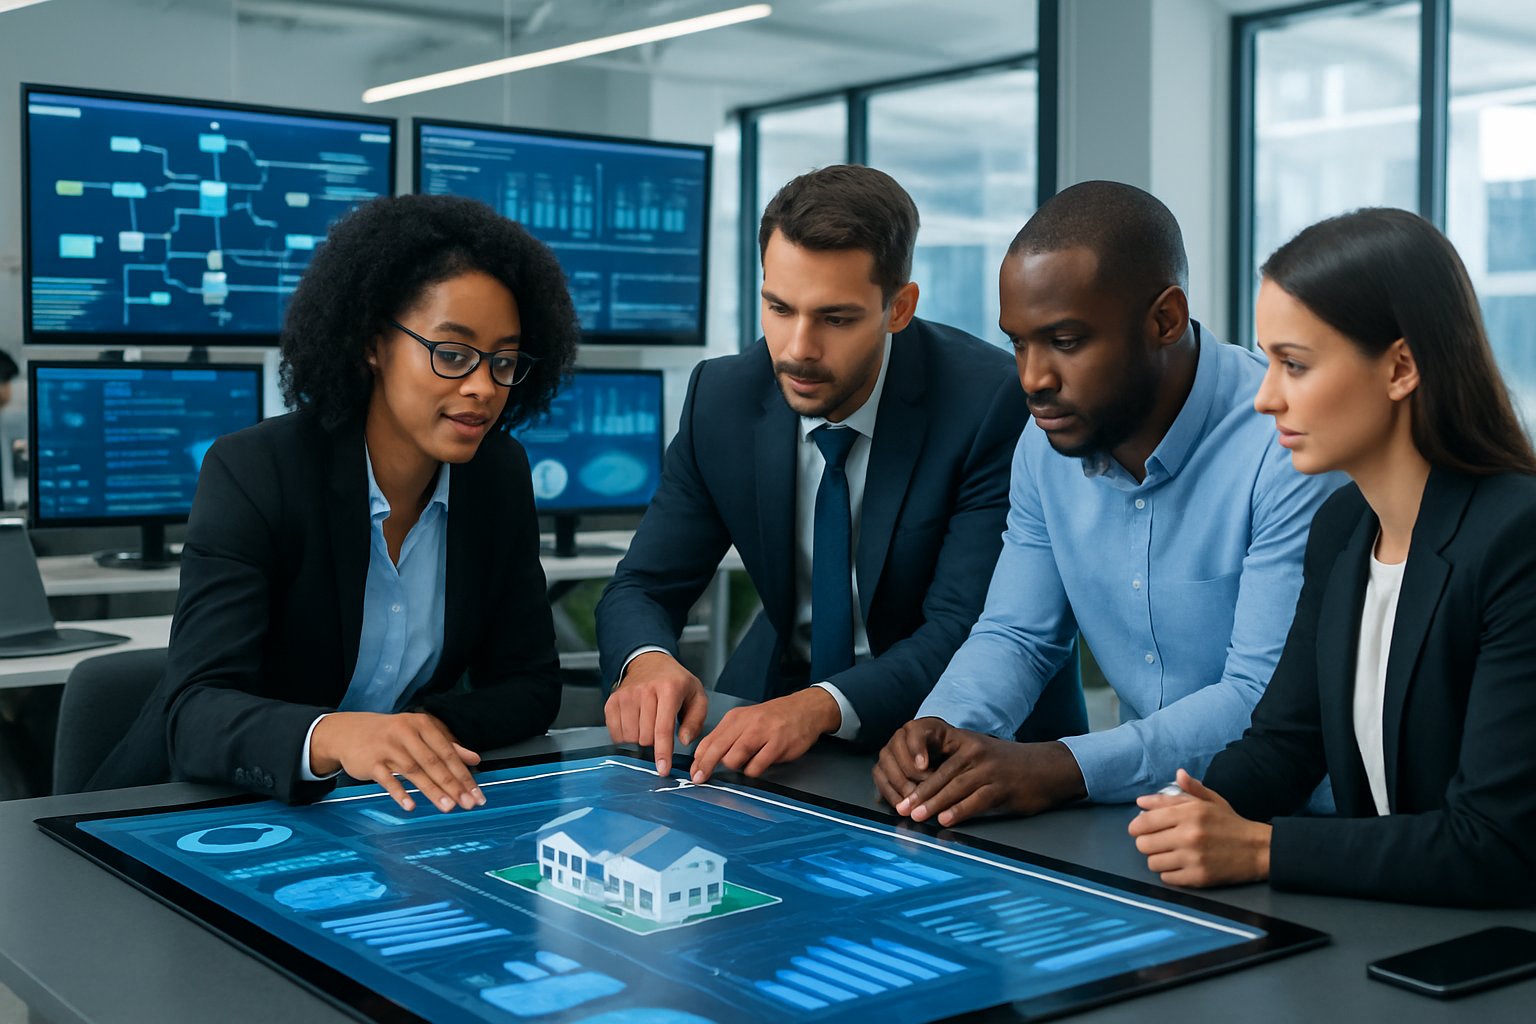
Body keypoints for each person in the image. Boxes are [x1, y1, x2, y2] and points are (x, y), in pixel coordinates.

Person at [874, 181, 1344, 826]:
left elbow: (1261, 699)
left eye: (1065, 342)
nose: (1033, 378)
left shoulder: (1287, 447)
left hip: (1298, 831)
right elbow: (1018, 634)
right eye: (1018, 343)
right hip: (1142, 819)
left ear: (1164, 320)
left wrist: (1061, 767)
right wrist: (938, 729)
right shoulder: (1043, 447)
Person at [596, 164, 1085, 781]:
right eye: (779, 307)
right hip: (778, 703)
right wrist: (647, 661)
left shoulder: (989, 401)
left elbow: (968, 630)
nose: (798, 347)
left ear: (898, 308)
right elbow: (642, 584)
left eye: (835, 319)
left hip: (962, 737)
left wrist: (820, 707)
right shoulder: (721, 397)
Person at [93, 194, 580, 809]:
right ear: (372, 344)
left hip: (372, 810)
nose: (483, 387)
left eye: (504, 362)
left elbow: (530, 684)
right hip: (193, 809)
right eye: (452, 355)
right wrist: (333, 736)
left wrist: (415, 734)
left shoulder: (497, 474)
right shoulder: (258, 471)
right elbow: (195, 711)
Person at [1128, 208, 1536, 907]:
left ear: (1401, 367)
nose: (1265, 397)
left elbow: (1495, 845)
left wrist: (1259, 848)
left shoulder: (1516, 539)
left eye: (1294, 364)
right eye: (1268, 361)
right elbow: (1286, 743)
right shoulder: (1344, 527)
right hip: (1389, 931)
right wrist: (1188, 811)